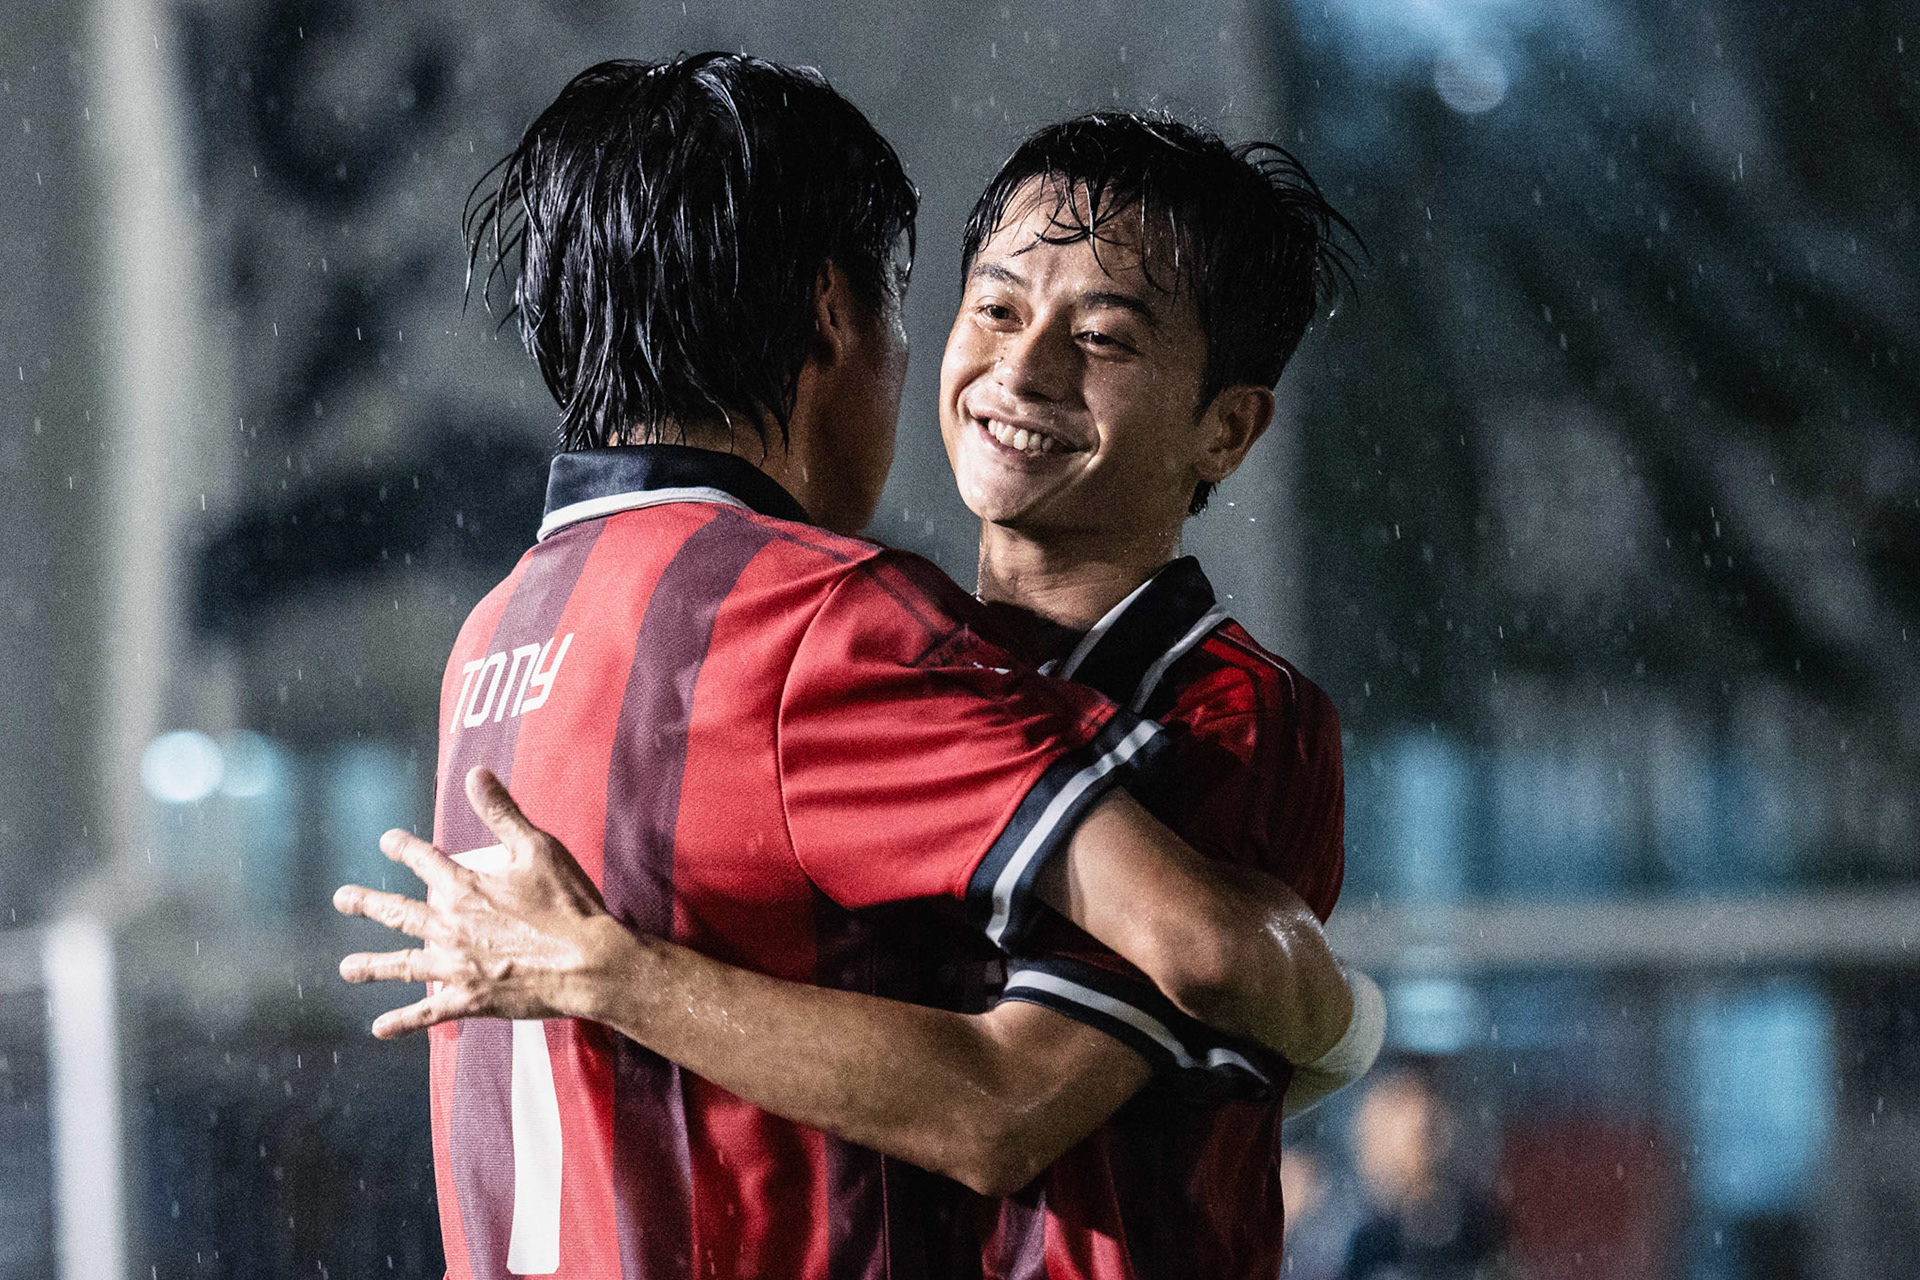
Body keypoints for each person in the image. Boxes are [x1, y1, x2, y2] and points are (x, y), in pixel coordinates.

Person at [334, 56, 1375, 1279]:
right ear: (842, 315)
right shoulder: (829, 618)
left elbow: (1008, 1101)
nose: (1023, 367)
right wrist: (1337, 1013)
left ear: (1227, 426)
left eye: (1099, 337)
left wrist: (1318, 1009)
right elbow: (1032, 1075)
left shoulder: (505, 622)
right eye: (990, 309)